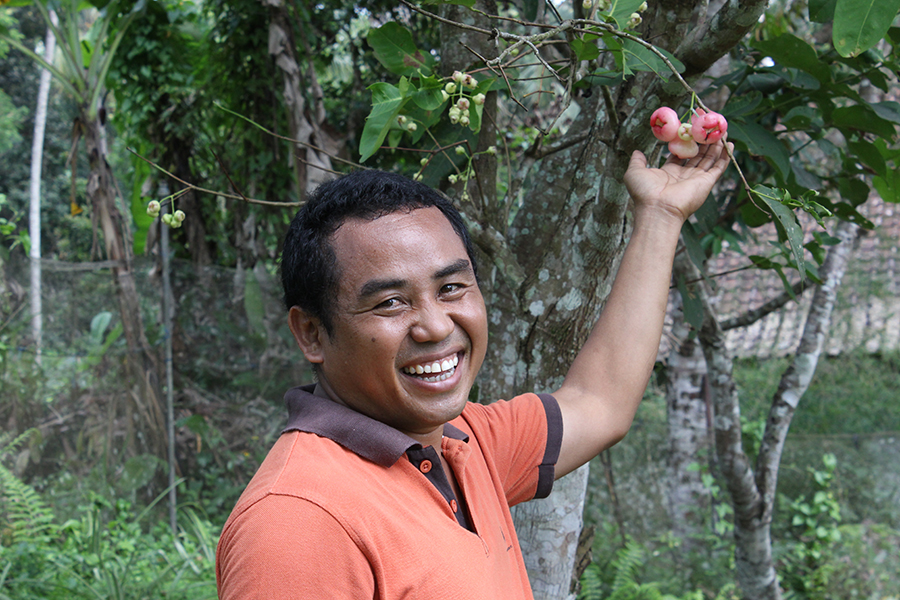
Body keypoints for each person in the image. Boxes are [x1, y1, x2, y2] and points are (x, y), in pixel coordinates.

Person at [215, 139, 732, 599]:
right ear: (311, 333)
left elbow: (601, 402)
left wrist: (661, 216)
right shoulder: (297, 522)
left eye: (452, 288)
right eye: (391, 303)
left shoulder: (464, 443)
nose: (437, 327)